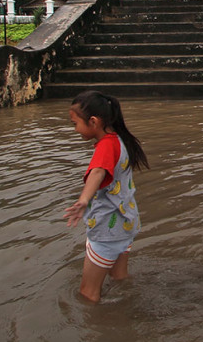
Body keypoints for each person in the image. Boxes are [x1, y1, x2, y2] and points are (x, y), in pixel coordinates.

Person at [62, 90, 148, 302]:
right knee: (119, 278)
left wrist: (83, 200)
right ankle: (126, 307)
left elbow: (98, 172)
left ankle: (99, 328)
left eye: (75, 124)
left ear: (93, 122)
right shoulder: (119, 140)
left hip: (108, 229)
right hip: (126, 222)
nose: (75, 129)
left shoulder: (106, 146)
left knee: (87, 293)